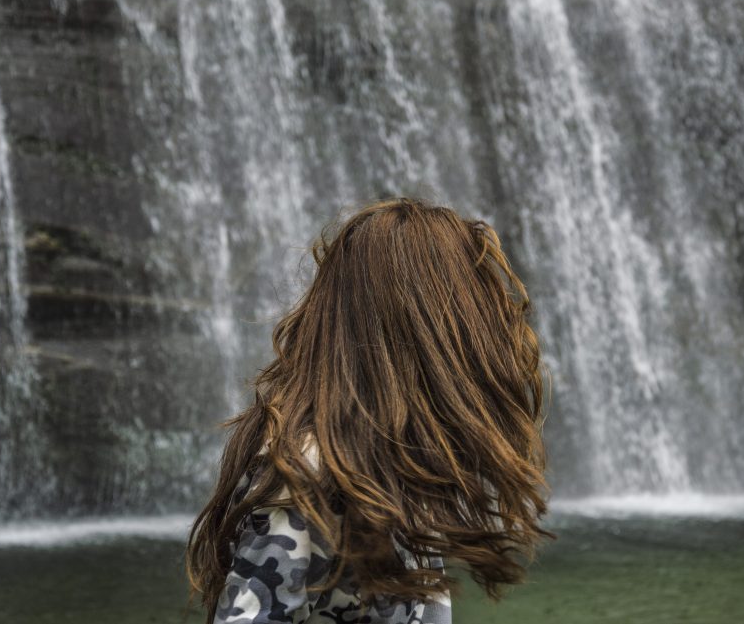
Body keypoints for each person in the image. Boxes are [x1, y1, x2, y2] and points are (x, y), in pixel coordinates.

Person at [186, 197, 554, 624]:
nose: (498, 325)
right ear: (433, 332)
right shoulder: (310, 477)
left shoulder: (386, 464)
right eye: (476, 308)